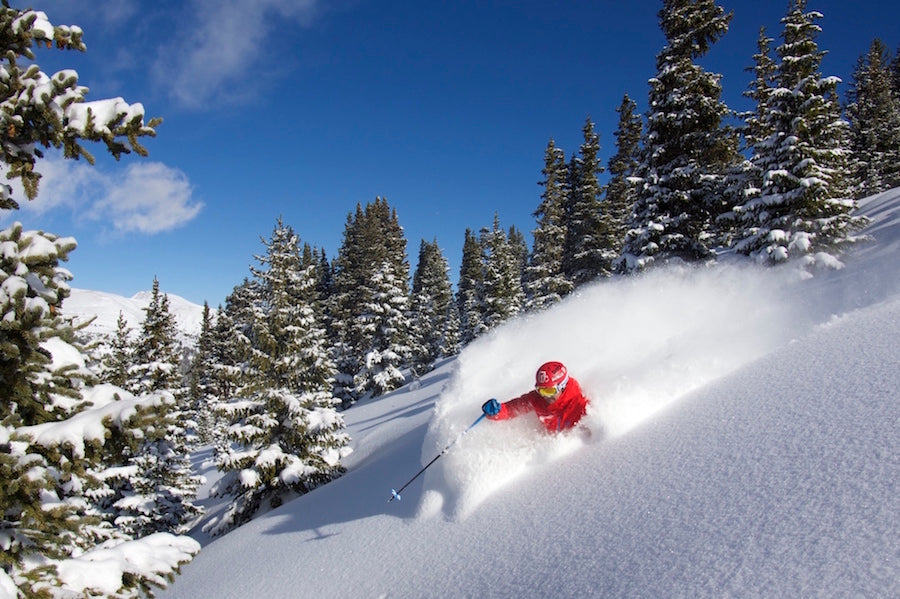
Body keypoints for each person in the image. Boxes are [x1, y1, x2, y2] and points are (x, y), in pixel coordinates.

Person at [481, 361, 589, 434]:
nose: (545, 396)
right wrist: (497, 412)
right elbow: (511, 409)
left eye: (549, 391)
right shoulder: (537, 399)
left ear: (562, 386)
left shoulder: (581, 406)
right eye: (541, 390)